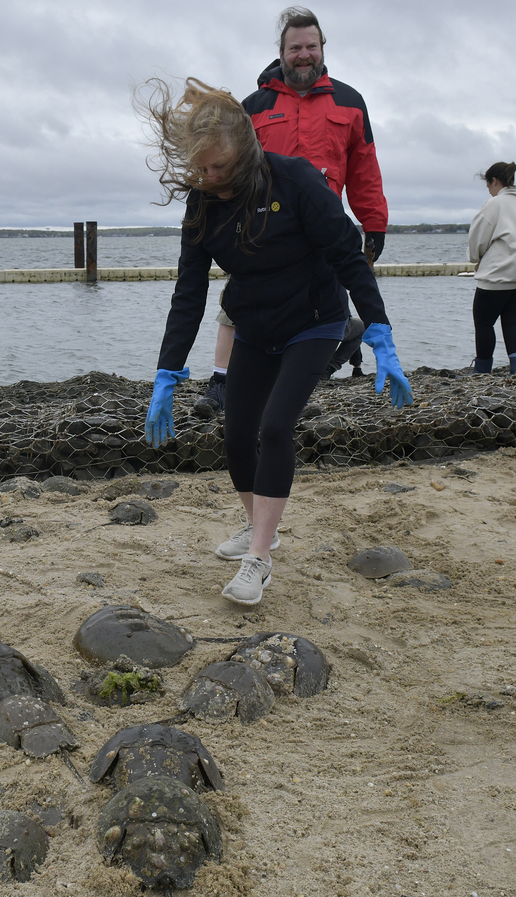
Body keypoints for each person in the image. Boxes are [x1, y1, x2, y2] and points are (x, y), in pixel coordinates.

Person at [140, 78, 413, 606]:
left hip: (314, 321)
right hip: (255, 328)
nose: (210, 178)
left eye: (219, 167)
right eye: (201, 169)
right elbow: (189, 292)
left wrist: (379, 330)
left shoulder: (295, 181)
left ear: (244, 151)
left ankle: (258, 558)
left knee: (275, 426)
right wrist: (166, 371)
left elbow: (348, 254)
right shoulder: (202, 205)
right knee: (237, 437)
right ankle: (260, 524)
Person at [194, 6, 389, 418]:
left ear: (322, 49)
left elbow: (365, 166)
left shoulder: (351, 102)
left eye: (311, 46)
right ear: (282, 52)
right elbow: (227, 163)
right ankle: (220, 381)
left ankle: (293, 392)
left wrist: (374, 222)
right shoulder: (254, 105)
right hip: (259, 225)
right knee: (239, 304)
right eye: (295, 47)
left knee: (322, 311)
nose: (304, 54)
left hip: (323, 229)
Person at [467, 161, 516, 375]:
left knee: (483, 323)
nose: (489, 191)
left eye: (488, 185)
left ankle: (482, 369)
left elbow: (478, 238)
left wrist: (476, 259)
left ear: (494, 181)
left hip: (498, 274)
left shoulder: (495, 204)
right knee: (513, 321)